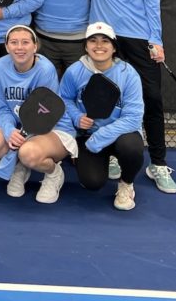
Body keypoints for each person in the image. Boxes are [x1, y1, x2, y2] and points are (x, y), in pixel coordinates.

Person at [80, 0, 176, 195]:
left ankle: (158, 163)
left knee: (151, 96)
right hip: (104, 36)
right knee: (104, 97)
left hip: (137, 35)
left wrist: (156, 39)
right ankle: (112, 155)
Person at [59, 21, 145, 211]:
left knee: (131, 148)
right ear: (86, 46)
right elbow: (64, 99)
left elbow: (133, 117)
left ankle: (126, 184)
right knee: (92, 183)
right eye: (93, 41)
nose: (99, 46)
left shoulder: (128, 74)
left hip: (120, 135)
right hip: (87, 135)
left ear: (114, 47)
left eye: (105, 41)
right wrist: (76, 116)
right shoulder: (74, 71)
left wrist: (100, 137)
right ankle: (104, 161)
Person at [0, 25, 72, 204]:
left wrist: (19, 141)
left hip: (51, 127)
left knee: (28, 153)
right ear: (7, 47)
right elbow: (2, 108)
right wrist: (9, 131)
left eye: (25, 42)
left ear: (35, 46)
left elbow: (44, 114)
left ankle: (54, 173)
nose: (19, 47)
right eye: (14, 43)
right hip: (19, 126)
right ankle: (20, 167)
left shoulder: (45, 70)